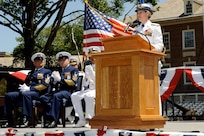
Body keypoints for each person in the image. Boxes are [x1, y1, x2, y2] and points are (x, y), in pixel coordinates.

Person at [4, 52, 52, 128]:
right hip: (28, 92)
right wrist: (23, 87)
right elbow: (26, 83)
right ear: (34, 62)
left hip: (39, 93)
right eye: (37, 60)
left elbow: (44, 85)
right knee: (8, 95)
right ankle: (9, 120)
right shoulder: (31, 72)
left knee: (26, 94)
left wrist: (30, 88)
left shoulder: (47, 72)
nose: (40, 62)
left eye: (41, 60)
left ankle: (27, 119)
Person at [134, 3, 164, 114]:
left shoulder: (155, 27)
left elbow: (159, 46)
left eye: (141, 12)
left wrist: (148, 49)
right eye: (137, 12)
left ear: (148, 13)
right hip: (138, 63)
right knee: (140, 91)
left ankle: (156, 116)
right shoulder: (135, 29)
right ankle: (141, 115)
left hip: (151, 63)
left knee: (152, 91)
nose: (138, 14)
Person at [45, 51, 79, 128]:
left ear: (68, 60)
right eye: (60, 60)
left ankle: (54, 119)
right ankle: (47, 118)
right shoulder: (59, 71)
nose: (62, 62)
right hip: (58, 91)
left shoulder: (73, 70)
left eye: (64, 60)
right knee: (44, 98)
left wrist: (61, 80)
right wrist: (53, 81)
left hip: (69, 91)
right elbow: (54, 82)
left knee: (56, 96)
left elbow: (73, 82)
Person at [71, 47, 101, 127]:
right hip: (90, 89)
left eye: (94, 56)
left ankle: (90, 119)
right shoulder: (88, 67)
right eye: (91, 56)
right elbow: (86, 83)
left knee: (89, 96)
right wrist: (86, 79)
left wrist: (91, 74)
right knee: (74, 96)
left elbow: (99, 79)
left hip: (99, 89)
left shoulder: (102, 65)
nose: (92, 58)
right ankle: (81, 119)